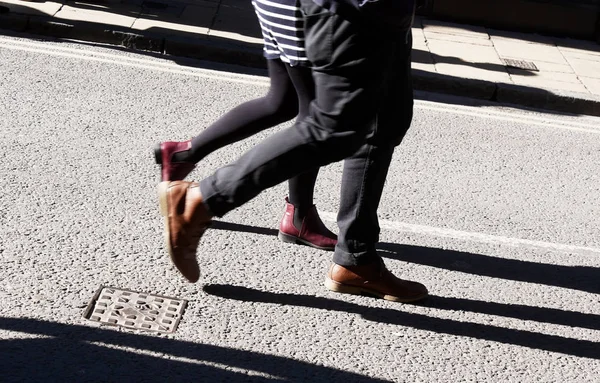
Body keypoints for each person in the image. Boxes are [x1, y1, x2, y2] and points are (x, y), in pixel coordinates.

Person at [157, 0, 429, 303]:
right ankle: (202, 198)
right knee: (332, 128)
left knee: (384, 124)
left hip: (385, 13)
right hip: (354, 11)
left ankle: (355, 256)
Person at [154, 0, 336, 251]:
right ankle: (299, 216)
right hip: (302, 6)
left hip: (279, 4)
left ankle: (182, 153)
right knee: (315, 117)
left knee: (282, 101)